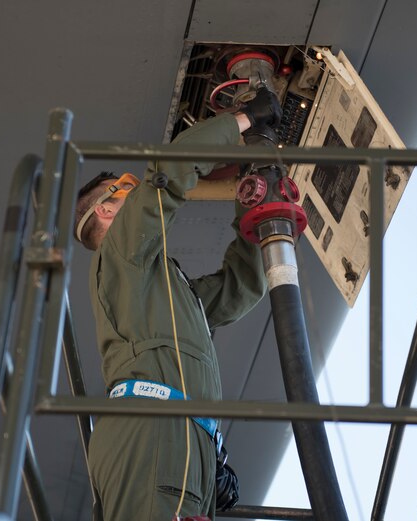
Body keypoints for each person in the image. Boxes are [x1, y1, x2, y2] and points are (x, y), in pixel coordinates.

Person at [73, 88, 281, 520]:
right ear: (107, 211)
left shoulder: (162, 289)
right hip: (153, 429)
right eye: (127, 189)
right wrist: (241, 121)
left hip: (184, 436)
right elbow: (168, 173)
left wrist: (255, 212)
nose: (138, 193)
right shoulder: (119, 254)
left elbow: (241, 287)